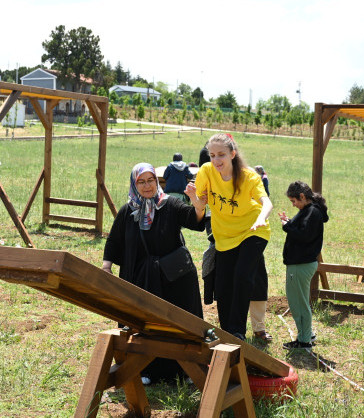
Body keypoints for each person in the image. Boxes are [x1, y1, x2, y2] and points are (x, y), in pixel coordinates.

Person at [102, 163, 206, 383]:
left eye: (151, 180)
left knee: (179, 323)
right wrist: (106, 266)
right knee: (144, 324)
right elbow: (114, 240)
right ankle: (146, 370)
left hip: (173, 279)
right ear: (134, 183)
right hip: (140, 279)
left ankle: (186, 369)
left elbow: (192, 219)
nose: (147, 185)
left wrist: (198, 206)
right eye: (141, 181)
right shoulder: (127, 210)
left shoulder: (169, 204)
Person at [194, 133, 272, 341]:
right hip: (225, 236)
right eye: (212, 155)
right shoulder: (206, 172)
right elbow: (201, 206)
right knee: (223, 284)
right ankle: (227, 331)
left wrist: (261, 218)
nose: (216, 160)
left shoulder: (248, 176)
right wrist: (194, 199)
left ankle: (237, 331)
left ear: (232, 154)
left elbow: (267, 202)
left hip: (253, 230)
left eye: (221, 155)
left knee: (242, 276)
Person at [278, 181, 328, 350]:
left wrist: (286, 227)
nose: (293, 205)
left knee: (298, 303)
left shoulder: (312, 212)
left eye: (294, 201)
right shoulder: (310, 210)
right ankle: (307, 333)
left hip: (301, 264)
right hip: (301, 264)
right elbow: (304, 229)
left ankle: (304, 339)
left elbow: (304, 236)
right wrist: (290, 222)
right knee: (300, 301)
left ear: (302, 196)